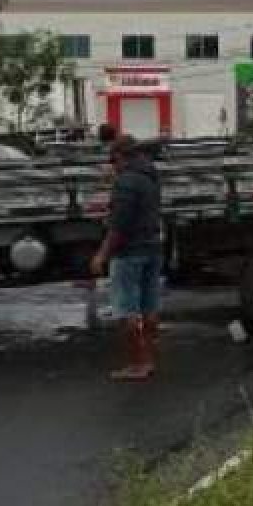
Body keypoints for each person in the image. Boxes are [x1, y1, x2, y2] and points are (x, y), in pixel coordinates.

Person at [91, 135, 163, 381]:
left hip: (129, 252)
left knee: (127, 311)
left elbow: (118, 226)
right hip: (152, 246)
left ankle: (137, 364)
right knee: (150, 308)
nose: (112, 166)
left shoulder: (126, 182)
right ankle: (149, 360)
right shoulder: (150, 175)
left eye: (113, 161)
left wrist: (102, 254)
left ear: (121, 157)